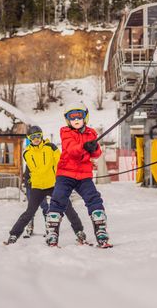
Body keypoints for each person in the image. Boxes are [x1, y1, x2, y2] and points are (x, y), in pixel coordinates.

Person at [4, 125, 87, 245]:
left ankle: (79, 231)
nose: (36, 139)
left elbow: (61, 162)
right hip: (37, 187)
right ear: (29, 138)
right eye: (33, 137)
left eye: (38, 136)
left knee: (67, 207)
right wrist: (28, 180)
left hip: (54, 185)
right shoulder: (26, 153)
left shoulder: (51, 148)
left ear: (42, 136)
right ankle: (13, 235)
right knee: (29, 212)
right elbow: (31, 169)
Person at [46, 103, 112, 248]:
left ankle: (101, 230)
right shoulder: (65, 132)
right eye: (72, 116)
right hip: (66, 174)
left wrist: (93, 147)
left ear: (85, 117)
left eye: (79, 116)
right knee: (58, 199)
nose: (76, 119)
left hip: (84, 175)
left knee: (94, 198)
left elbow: (96, 154)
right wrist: (84, 146)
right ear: (67, 120)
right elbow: (71, 150)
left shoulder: (91, 133)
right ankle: (52, 232)